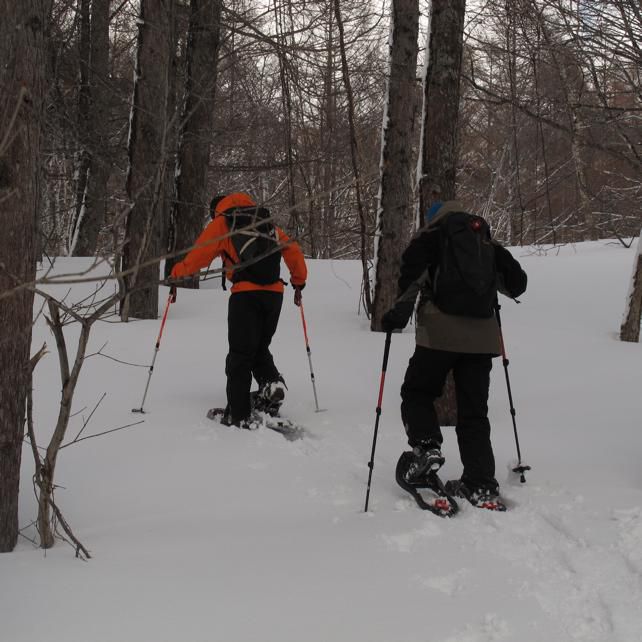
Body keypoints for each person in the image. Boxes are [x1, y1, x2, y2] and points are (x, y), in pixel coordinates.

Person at [382, 200, 527, 507]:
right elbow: (517, 285)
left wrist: (397, 314)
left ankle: (426, 447)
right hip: (482, 340)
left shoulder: (431, 238)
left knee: (417, 392)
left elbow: (411, 279)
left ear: (433, 219)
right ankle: (481, 483)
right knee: (474, 411)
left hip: (439, 335)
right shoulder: (485, 242)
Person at [169, 192, 307, 428]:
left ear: (216, 210)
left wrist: (176, 274)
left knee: (240, 356)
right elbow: (292, 250)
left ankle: (238, 414)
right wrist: (298, 280)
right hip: (274, 295)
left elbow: (199, 255)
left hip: (246, 295)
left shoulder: (223, 223)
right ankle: (272, 385)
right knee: (259, 348)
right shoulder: (264, 222)